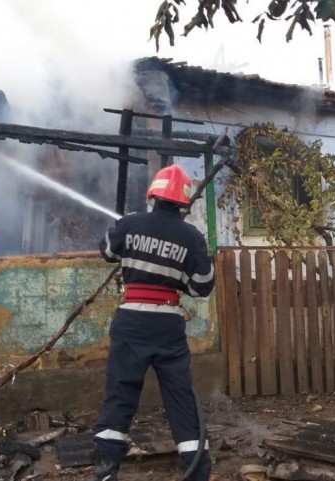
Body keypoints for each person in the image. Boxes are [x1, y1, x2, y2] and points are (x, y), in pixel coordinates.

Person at [92, 164, 215, 481]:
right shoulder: (192, 237)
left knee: (120, 393)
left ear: (153, 195)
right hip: (167, 325)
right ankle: (196, 469)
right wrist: (182, 276)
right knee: (180, 397)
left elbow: (107, 250)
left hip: (131, 321)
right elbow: (202, 285)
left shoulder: (130, 223)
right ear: (183, 203)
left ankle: (106, 468)